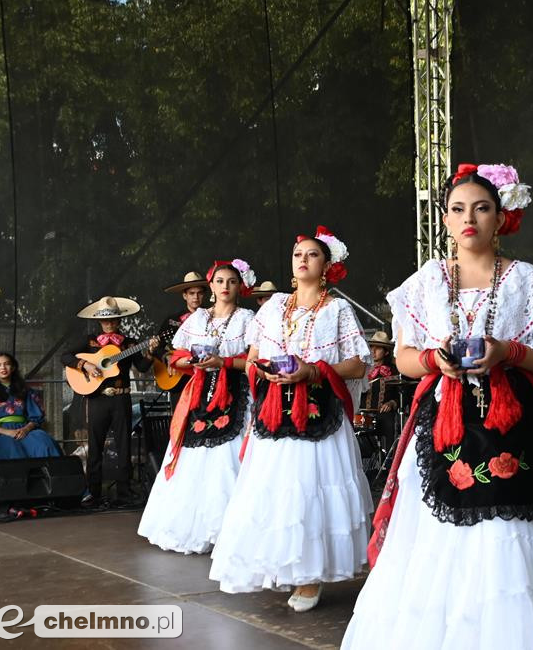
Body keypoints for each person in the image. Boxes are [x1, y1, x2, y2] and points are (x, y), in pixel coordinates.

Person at [342, 163, 533, 649]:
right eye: (457, 209)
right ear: (445, 221)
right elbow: (406, 358)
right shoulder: (424, 282)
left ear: (501, 219)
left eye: (482, 208)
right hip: (443, 421)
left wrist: (507, 352)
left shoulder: (523, 279)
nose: (469, 217)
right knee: (433, 536)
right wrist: (434, 359)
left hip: (510, 420)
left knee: (508, 529)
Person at [209, 227, 373, 612]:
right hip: (273, 411)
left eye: (312, 255)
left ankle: (310, 575)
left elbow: (357, 363)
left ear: (327, 266)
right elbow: (252, 356)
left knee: (308, 489)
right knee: (275, 490)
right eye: (297, 254)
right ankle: (288, 566)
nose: (302, 260)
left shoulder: (337, 309)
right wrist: (264, 371)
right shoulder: (273, 306)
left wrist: (313, 371)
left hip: (319, 415)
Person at [138, 260, 257, 554]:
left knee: (231, 457)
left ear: (239, 286)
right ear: (211, 286)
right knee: (194, 456)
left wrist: (225, 363)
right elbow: (175, 357)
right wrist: (190, 362)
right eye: (219, 281)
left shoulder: (248, 318)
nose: (225, 286)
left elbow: (255, 362)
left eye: (231, 281)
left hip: (237, 394)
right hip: (200, 394)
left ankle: (234, 529)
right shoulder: (197, 319)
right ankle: (190, 525)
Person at [61, 296, 158, 507]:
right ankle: (94, 493)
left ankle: (124, 492)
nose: (109, 323)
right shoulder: (89, 340)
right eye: (106, 320)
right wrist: (84, 364)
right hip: (97, 398)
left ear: (119, 320)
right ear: (99, 321)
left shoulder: (129, 343)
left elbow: (141, 367)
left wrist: (150, 352)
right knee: (95, 446)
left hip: (121, 397)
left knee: (124, 445)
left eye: (113, 319)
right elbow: (65, 356)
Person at [0, 353, 61, 467]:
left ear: (13, 367)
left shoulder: (25, 390)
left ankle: (53, 481)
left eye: (7, 364)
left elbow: (36, 418)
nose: (3, 368)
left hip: (24, 429)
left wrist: (25, 429)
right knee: (9, 447)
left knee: (44, 442)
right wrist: (8, 433)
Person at [155, 272, 208, 410]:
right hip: (180, 378)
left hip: (206, 377)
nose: (196, 297)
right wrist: (168, 358)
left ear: (204, 295)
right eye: (191, 293)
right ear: (185, 295)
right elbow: (156, 346)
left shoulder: (213, 317)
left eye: (199, 293)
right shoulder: (173, 320)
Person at [362, 331, 402, 452]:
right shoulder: (362, 370)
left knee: (389, 424)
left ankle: (388, 464)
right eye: (371, 347)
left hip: (385, 415)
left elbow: (404, 393)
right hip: (363, 414)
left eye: (378, 348)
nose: (373, 351)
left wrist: (392, 403)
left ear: (386, 352)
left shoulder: (396, 371)